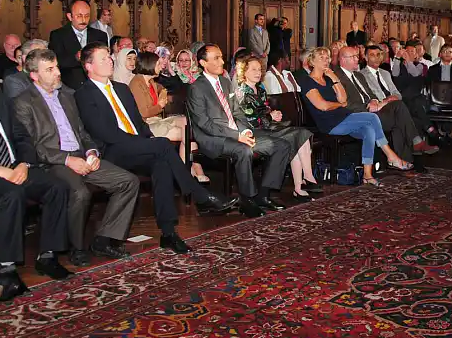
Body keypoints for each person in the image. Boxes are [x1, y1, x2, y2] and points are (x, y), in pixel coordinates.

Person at [75, 43, 235, 254]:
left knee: (161, 163)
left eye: (109, 57)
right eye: (103, 58)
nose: (110, 61)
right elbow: (105, 133)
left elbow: (139, 124)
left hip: (136, 146)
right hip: (111, 150)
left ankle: (168, 233)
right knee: (161, 145)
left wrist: (147, 140)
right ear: (88, 66)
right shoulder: (84, 94)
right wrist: (149, 143)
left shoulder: (121, 89)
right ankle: (199, 195)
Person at [13, 49, 139, 267]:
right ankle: (77, 247)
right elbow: (32, 145)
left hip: (81, 155)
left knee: (128, 181)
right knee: (79, 192)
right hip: (52, 162)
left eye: (57, 67)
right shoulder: (23, 102)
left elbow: (82, 132)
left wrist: (91, 152)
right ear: (34, 75)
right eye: (50, 70)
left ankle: (104, 238)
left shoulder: (67, 96)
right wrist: (67, 160)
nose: (57, 73)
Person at [0, 47, 72, 281]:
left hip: (13, 166)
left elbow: (21, 137)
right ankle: (8, 267)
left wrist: (23, 164)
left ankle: (48, 256)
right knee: (11, 194)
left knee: (57, 187)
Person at [187, 44, 293, 216]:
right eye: (216, 58)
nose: (222, 61)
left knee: (282, 145)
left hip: (235, 134)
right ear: (203, 63)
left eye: (221, 57)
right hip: (213, 139)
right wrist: (237, 136)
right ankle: (248, 199)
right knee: (243, 150)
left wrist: (245, 131)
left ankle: (263, 195)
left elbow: (237, 112)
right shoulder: (196, 88)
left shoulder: (225, 82)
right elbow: (205, 124)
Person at [301, 47, 412, 185]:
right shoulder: (307, 81)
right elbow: (322, 106)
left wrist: (334, 78)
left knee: (369, 130)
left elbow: (343, 99)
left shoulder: (329, 79)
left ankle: (367, 175)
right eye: (321, 58)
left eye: (328, 57)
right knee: (371, 118)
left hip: (343, 117)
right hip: (329, 123)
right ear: (312, 62)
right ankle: (391, 155)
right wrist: (339, 105)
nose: (326, 61)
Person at [233, 56, 317, 201]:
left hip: (267, 127)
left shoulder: (260, 88)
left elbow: (265, 111)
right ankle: (305, 181)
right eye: (253, 69)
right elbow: (251, 120)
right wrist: (270, 117)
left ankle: (302, 183)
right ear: (244, 71)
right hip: (254, 131)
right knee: (295, 136)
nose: (258, 73)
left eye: (259, 69)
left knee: (301, 134)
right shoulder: (242, 92)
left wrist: (273, 114)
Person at [337, 46, 437, 162]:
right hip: (363, 114)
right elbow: (345, 103)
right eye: (353, 57)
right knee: (401, 110)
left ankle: (404, 161)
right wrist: (378, 103)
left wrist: (374, 101)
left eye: (356, 56)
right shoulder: (340, 77)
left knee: (401, 115)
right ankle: (415, 144)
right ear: (343, 59)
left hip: (383, 108)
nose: (356, 59)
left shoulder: (361, 75)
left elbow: (372, 95)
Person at [128, 51, 208, 182]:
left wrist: (163, 94)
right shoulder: (137, 83)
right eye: (158, 63)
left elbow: (163, 89)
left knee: (186, 122)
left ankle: (188, 170)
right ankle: (190, 171)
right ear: (149, 64)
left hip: (156, 120)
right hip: (146, 125)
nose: (161, 66)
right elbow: (143, 113)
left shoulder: (151, 81)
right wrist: (160, 105)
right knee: (186, 133)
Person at [49, 0, 107, 89]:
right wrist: (76, 58)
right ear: (69, 16)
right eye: (79, 16)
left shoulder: (100, 35)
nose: (83, 20)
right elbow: (56, 62)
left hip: (96, 86)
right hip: (69, 88)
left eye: (87, 16)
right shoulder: (58, 35)